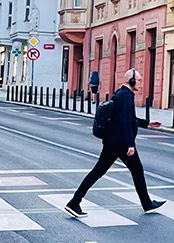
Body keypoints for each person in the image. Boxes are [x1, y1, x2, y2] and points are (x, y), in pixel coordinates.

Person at [66, 69, 164, 217]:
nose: (141, 83)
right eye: (139, 80)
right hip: (120, 143)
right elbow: (124, 122)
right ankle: (74, 203)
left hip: (114, 141)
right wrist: (130, 144)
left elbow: (129, 119)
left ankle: (147, 203)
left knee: (122, 171)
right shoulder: (126, 96)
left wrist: (148, 123)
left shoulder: (121, 93)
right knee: (109, 171)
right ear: (131, 81)